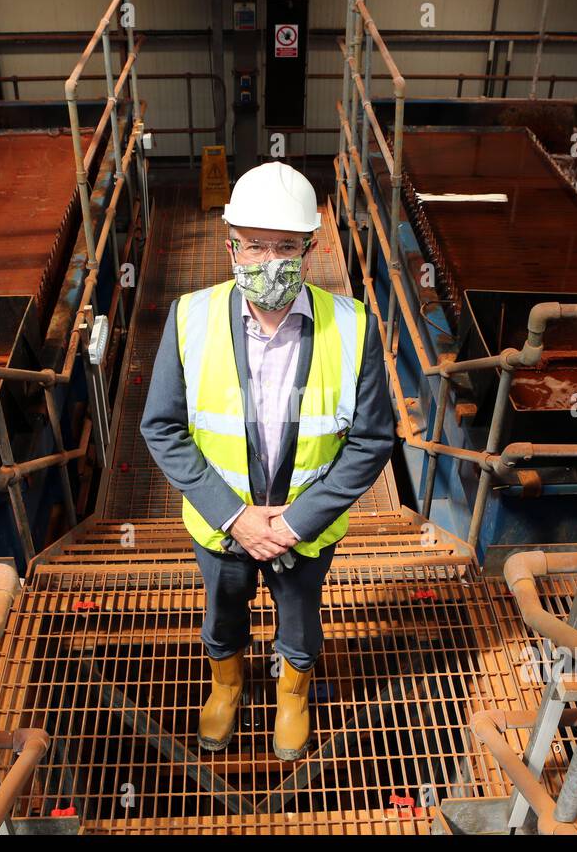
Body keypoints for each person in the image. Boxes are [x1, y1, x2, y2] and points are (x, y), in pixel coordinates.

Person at [140, 161, 394, 761]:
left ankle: (292, 697)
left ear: (309, 249)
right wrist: (236, 517)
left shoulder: (354, 327)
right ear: (231, 245)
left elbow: (371, 440)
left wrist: (296, 522)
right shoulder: (189, 318)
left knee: (300, 618)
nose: (269, 260)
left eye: (285, 246)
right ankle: (226, 686)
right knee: (223, 611)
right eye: (255, 245)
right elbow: (162, 427)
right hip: (221, 524)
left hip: (306, 529)